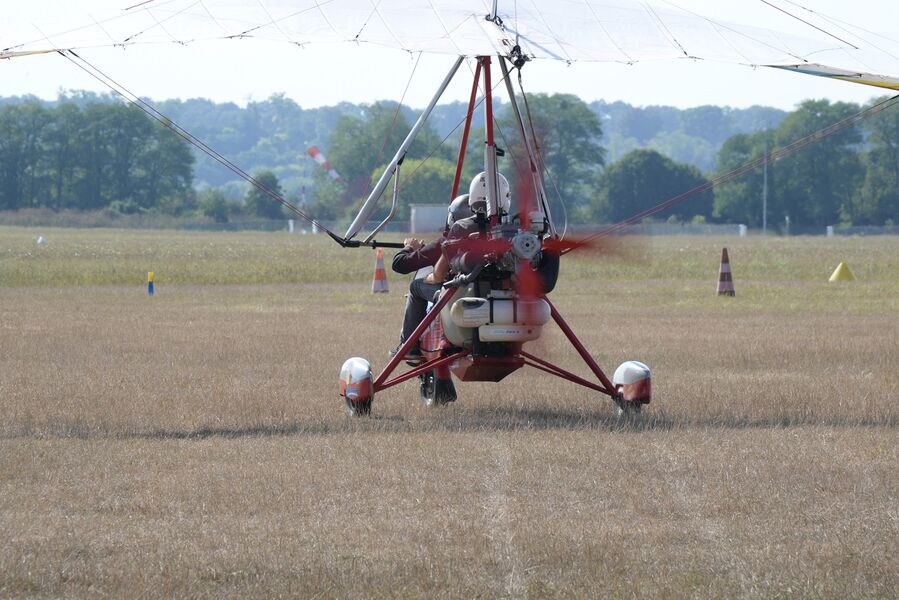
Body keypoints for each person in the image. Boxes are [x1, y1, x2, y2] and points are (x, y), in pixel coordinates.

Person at [390, 194, 470, 359]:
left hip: (454, 295)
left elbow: (399, 264)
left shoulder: (448, 242)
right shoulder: (497, 238)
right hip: (486, 295)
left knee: (415, 286)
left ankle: (409, 346)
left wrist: (409, 248)